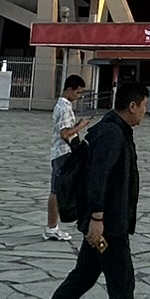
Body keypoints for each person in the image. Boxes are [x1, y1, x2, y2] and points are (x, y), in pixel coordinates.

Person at [15, 79, 150, 299]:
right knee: (122, 285)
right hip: (108, 227)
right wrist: (97, 219)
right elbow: (98, 177)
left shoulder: (113, 129)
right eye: (145, 106)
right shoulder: (111, 134)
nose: (145, 112)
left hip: (106, 223)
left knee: (81, 280)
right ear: (133, 105)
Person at [45, 74, 91, 241]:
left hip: (58, 152)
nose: (78, 97)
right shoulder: (65, 108)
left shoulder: (60, 105)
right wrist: (80, 126)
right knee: (58, 191)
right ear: (69, 90)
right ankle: (52, 226)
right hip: (64, 152)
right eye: (78, 93)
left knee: (56, 190)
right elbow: (64, 133)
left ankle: (52, 226)